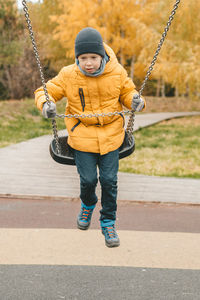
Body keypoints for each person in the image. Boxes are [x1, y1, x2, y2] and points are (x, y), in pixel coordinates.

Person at [35, 27, 145, 248]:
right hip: (81, 136)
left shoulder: (117, 71)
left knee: (109, 181)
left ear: (102, 55)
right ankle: (88, 204)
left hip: (111, 135)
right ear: (77, 58)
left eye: (93, 57)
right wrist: (46, 104)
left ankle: (108, 222)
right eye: (83, 58)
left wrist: (136, 100)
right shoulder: (68, 75)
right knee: (88, 181)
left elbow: (127, 92)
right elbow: (46, 90)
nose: (88, 63)